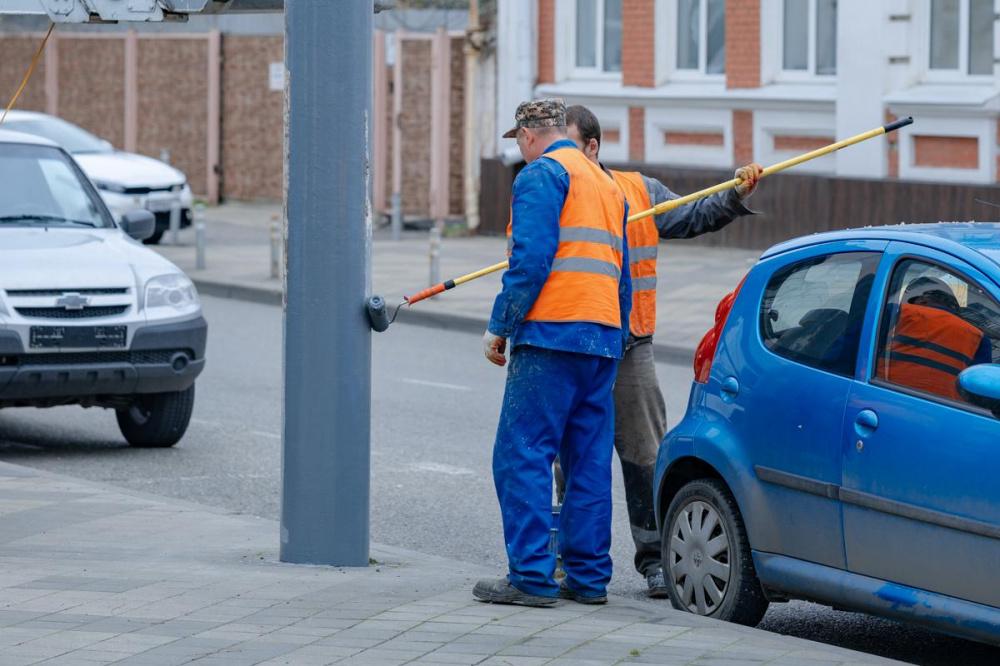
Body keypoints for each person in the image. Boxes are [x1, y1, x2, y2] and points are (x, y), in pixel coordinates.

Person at [563, 104, 762, 598]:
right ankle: (570, 559)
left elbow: (694, 213)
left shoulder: (639, 191)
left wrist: (734, 193)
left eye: (567, 145)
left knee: (645, 457)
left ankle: (655, 560)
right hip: (573, 346)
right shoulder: (555, 191)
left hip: (629, 347)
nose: (558, 157)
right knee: (570, 458)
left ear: (592, 147)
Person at [473, 99, 631, 607]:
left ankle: (531, 577)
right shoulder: (606, 183)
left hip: (552, 335)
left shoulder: (542, 175)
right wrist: (616, 336)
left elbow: (531, 259)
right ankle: (587, 579)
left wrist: (501, 324)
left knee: (523, 452)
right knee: (587, 462)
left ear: (526, 136)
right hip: (602, 337)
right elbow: (619, 273)